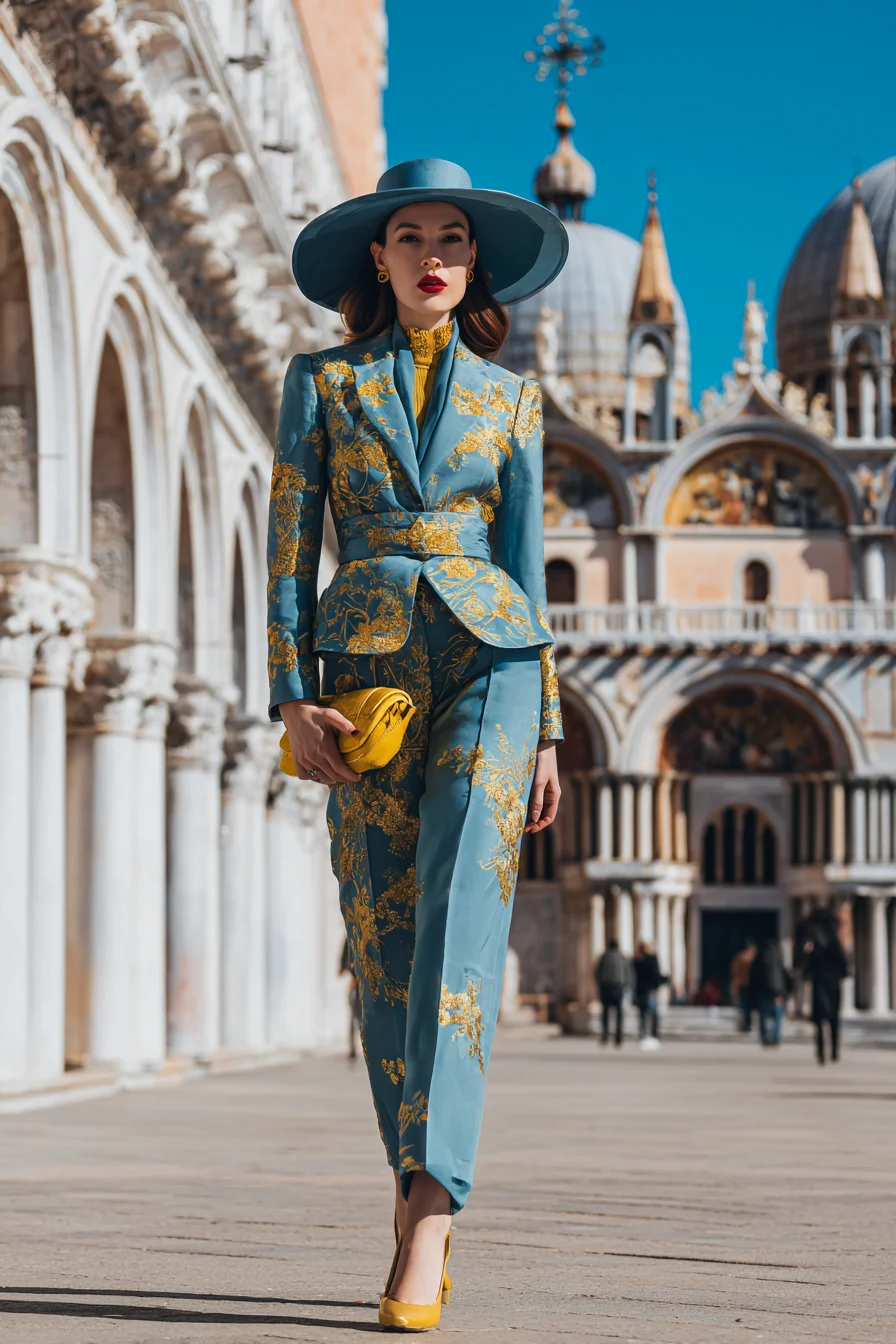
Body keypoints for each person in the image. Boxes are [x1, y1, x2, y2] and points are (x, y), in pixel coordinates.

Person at [267, 158, 568, 1331]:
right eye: (410, 236)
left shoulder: (513, 402)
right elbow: (290, 546)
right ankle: (407, 1186)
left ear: (473, 261)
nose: (432, 254)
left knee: (463, 917)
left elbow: (527, 571)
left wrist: (548, 729)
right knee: (385, 935)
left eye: (451, 237)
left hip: (494, 664)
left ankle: (434, 1210)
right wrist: (290, 696)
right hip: (364, 675)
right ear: (378, 259)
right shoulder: (322, 383)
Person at [804, 908, 849, 1065]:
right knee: (834, 1019)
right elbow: (844, 968)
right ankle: (834, 1051)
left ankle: (821, 1052)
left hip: (819, 985)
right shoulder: (835, 945)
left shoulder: (815, 947)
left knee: (819, 1021)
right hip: (833, 985)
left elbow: (806, 971)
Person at [748, 936, 790, 1046]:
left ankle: (764, 1036)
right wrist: (784, 991)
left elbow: (754, 975)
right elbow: (784, 975)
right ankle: (776, 1037)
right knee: (777, 1015)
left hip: (764, 990)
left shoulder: (760, 957)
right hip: (777, 990)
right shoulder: (778, 958)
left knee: (763, 1014)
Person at [595, 940, 631, 1047]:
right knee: (619, 1014)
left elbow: (597, 973)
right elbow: (627, 973)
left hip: (606, 987)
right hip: (618, 987)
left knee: (605, 1013)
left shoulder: (604, 958)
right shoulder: (622, 958)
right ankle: (618, 1036)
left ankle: (605, 1035)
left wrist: (600, 985)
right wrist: (626, 986)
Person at [632, 940, 665, 1049]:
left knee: (642, 1014)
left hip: (640, 990)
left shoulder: (636, 960)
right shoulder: (652, 959)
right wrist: (659, 983)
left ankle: (643, 1034)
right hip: (650, 990)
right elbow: (655, 975)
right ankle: (654, 1034)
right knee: (653, 1013)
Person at [339, 936, 361, 1060]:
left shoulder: (352, 937)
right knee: (354, 1015)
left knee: (357, 1015)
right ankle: (353, 1047)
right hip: (355, 984)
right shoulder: (349, 938)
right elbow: (344, 960)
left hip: (360, 982)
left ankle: (357, 1046)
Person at [729, 938, 757, 1031]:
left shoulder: (739, 957)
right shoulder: (754, 956)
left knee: (743, 1006)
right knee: (748, 1006)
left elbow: (734, 971)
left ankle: (745, 1024)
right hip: (750, 984)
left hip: (741, 984)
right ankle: (748, 1023)